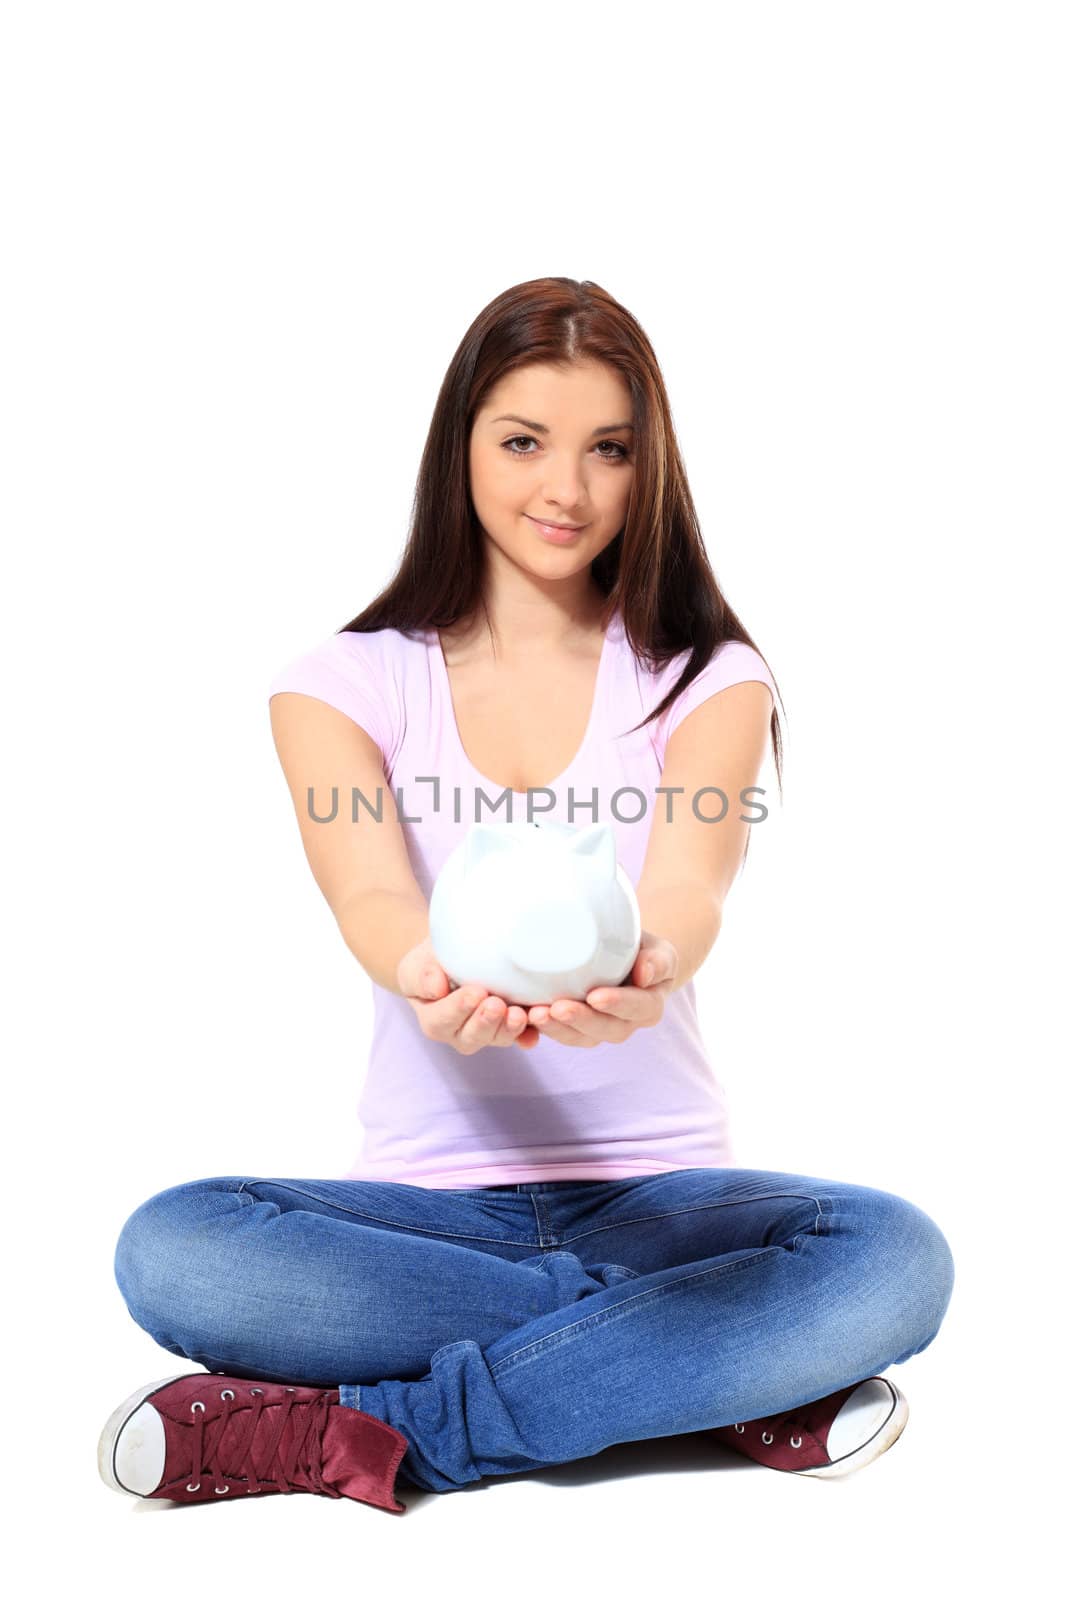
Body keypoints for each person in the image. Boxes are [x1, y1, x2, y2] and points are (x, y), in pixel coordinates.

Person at [98, 278, 955, 1514]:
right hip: (419, 1229)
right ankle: (707, 1369)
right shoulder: (339, 683)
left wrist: (651, 964)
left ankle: (369, 1436)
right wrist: (422, 978)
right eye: (523, 442)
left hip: (663, 1202)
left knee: (893, 1260)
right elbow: (370, 903)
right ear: (460, 449)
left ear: (646, 466)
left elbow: (687, 884)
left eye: (609, 449)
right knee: (170, 1245)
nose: (566, 489)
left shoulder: (705, 676)